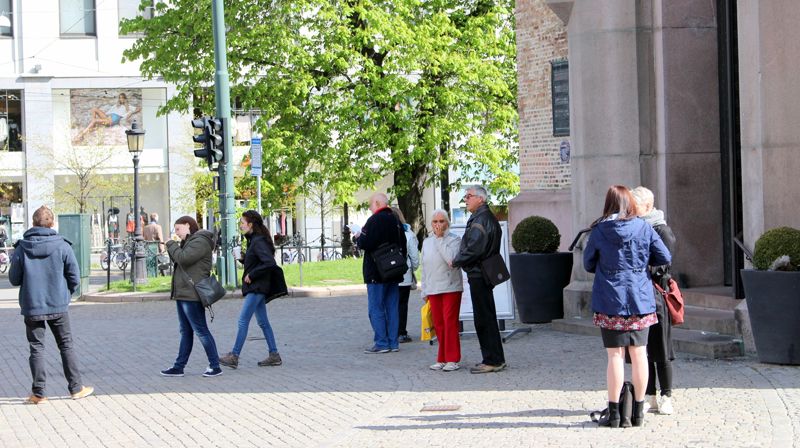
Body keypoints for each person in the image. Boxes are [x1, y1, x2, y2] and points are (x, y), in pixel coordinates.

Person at [583, 185, 671, 428]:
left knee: (615, 356)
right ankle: (638, 413)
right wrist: (642, 266)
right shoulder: (644, 227)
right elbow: (664, 256)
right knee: (640, 353)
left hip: (610, 299)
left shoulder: (600, 230)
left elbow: (588, 263)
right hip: (639, 298)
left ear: (608, 203)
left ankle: (614, 414)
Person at [9, 206, 94, 404]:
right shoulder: (62, 245)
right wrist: (66, 295)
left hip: (32, 305)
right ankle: (76, 388)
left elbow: (14, 279)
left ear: (33, 223)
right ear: (52, 223)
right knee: (66, 345)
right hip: (58, 305)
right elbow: (74, 277)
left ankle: (38, 393)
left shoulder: (22, 247)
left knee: (36, 348)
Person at [631, 186, 677, 415]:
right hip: (639, 294)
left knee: (661, 347)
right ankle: (649, 395)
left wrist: (641, 269)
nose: (630, 210)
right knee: (643, 347)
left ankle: (666, 395)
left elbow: (664, 264)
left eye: (635, 206)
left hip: (657, 293)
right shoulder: (634, 228)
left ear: (647, 206)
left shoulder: (661, 230)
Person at [451, 186, 506, 374]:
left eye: (469, 196)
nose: (465, 199)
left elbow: (474, 248)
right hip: (484, 271)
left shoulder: (481, 219)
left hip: (479, 273)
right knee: (486, 316)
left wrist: (456, 261)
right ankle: (495, 358)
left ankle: (492, 360)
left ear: (480, 199)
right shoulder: (484, 217)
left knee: (484, 318)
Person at [219, 210, 283, 369]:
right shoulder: (254, 240)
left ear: (251, 224)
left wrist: (252, 274)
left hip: (257, 287)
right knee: (263, 322)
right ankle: (274, 355)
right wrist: (243, 258)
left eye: (242, 222)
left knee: (243, 320)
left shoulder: (258, 241)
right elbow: (258, 261)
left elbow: (269, 263)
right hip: (258, 286)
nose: (240, 225)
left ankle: (234, 356)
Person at [161, 216, 222, 378]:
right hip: (184, 293)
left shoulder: (200, 241)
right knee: (186, 331)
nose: (176, 233)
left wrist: (171, 244)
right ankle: (179, 367)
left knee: (201, 330)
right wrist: (174, 246)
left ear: (188, 225)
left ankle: (215, 366)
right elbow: (180, 260)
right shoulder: (189, 241)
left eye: (178, 229)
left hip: (193, 294)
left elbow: (183, 258)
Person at [355, 192, 407, 354]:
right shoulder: (395, 220)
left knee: (376, 308)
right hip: (394, 271)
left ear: (377, 203)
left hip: (376, 272)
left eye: (370, 205)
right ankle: (393, 342)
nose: (370, 208)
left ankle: (381, 343)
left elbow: (365, 243)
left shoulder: (374, 220)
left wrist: (358, 237)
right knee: (392, 307)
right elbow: (403, 243)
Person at [420, 209, 463, 372]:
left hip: (450, 286)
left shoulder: (455, 240)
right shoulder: (426, 242)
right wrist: (424, 290)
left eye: (441, 221)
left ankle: (452, 358)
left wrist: (440, 239)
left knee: (450, 322)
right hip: (433, 288)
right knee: (438, 324)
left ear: (447, 223)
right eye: (435, 221)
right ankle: (442, 358)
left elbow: (451, 260)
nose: (438, 225)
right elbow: (425, 267)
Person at [390, 206, 420, 343]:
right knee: (402, 304)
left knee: (389, 303)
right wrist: (412, 269)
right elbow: (414, 257)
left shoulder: (384, 233)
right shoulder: (408, 234)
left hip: (387, 273)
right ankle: (401, 332)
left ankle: (390, 331)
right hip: (404, 273)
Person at [72, 92, 141, 144]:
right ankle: (93, 125)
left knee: (95, 121)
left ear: (125, 99)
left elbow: (138, 108)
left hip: (114, 119)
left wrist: (131, 112)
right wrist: (105, 114)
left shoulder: (128, 106)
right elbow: (109, 112)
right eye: (120, 98)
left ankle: (81, 135)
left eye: (122, 98)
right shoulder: (116, 105)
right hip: (108, 117)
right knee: (94, 109)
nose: (121, 99)